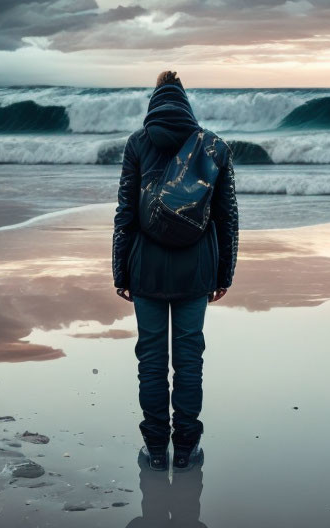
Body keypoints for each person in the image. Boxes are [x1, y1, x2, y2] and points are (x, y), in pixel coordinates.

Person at [112, 70, 239, 472]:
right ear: (186, 102)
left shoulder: (137, 143)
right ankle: (185, 449)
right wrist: (224, 274)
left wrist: (120, 272)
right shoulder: (213, 145)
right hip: (196, 271)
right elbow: (227, 217)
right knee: (189, 358)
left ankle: (154, 448)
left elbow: (125, 214)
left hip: (145, 272)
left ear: (154, 101)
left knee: (150, 360)